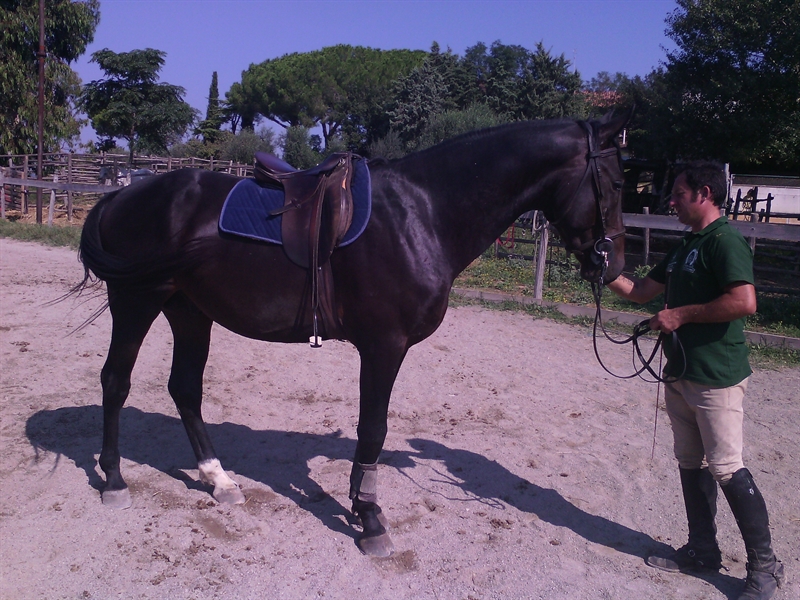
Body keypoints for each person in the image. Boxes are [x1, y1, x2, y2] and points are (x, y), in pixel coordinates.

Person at [606, 161, 785, 600]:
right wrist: (603, 272)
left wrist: (680, 315)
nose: (671, 201)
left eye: (679, 194)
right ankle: (703, 550)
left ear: (704, 193)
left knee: (726, 466)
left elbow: (744, 301)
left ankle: (765, 568)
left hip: (716, 376)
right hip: (681, 372)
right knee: (690, 461)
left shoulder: (725, 242)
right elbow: (642, 291)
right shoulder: (687, 244)